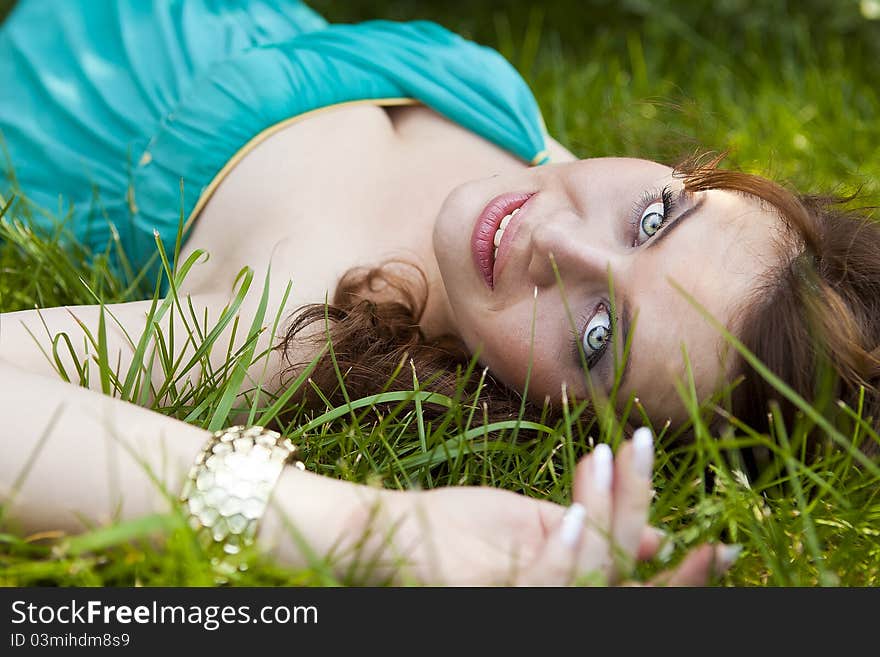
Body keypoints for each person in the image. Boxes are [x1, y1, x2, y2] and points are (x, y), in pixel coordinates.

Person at [0, 0, 875, 585]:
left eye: (599, 335)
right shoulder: (556, 180)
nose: (555, 241)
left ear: (565, 418)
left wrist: (366, 528)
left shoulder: (295, 321)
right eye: (654, 218)